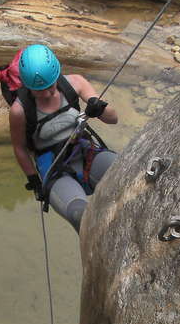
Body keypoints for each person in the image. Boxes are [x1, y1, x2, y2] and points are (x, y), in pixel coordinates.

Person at [8, 44, 118, 233]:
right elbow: (19, 147)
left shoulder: (75, 84)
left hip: (85, 151)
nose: (47, 93)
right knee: (81, 216)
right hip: (53, 167)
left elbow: (113, 119)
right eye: (39, 90)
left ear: (57, 75)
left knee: (128, 172)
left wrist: (98, 107)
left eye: (50, 86)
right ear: (27, 86)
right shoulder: (19, 111)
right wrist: (34, 179)